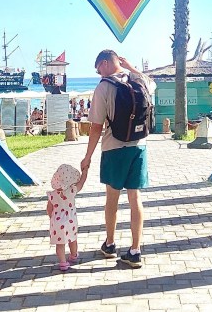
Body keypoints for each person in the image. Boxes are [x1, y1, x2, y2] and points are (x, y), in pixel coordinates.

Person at [80, 49, 156, 268]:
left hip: (114, 148)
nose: (98, 74)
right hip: (139, 147)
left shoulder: (104, 87)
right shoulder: (138, 80)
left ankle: (110, 244)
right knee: (135, 198)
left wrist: (87, 157)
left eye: (98, 69)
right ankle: (135, 251)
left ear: (104, 63)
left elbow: (96, 127)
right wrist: (131, 67)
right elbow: (153, 84)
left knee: (112, 198)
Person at [46, 164, 88, 271]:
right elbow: (82, 182)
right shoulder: (72, 191)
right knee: (72, 239)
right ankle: (73, 255)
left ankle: (63, 263)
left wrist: (52, 218)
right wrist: (85, 170)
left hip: (57, 222)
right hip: (70, 221)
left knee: (60, 244)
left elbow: (49, 209)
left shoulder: (52, 194)